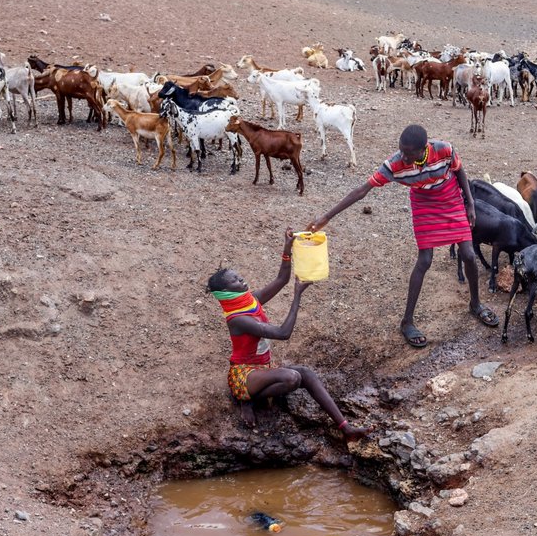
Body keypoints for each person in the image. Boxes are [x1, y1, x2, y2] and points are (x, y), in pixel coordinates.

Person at [307, 124, 498, 349]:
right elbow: (361, 191)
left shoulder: (444, 150)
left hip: (450, 198)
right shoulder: (395, 164)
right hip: (423, 203)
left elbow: (459, 171)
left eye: (409, 153)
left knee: (468, 254)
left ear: (424, 148)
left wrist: (470, 204)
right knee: (425, 260)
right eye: (401, 151)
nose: (404, 157)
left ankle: (475, 304)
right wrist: (326, 217)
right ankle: (407, 322)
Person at [206, 228, 369, 441]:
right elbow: (283, 333)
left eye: (240, 277)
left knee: (306, 373)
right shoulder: (237, 319)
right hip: (243, 375)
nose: (242, 281)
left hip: (262, 369)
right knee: (292, 378)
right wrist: (297, 296)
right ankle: (246, 399)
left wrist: (287, 248)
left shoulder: (251, 301)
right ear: (227, 292)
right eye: (236, 281)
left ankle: (345, 427)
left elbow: (282, 279)